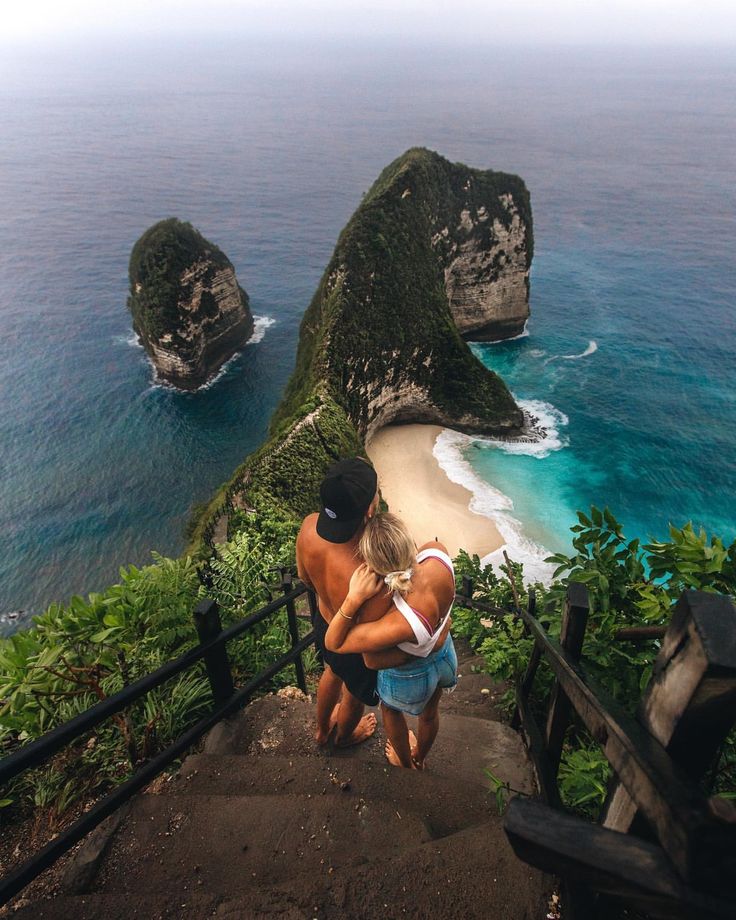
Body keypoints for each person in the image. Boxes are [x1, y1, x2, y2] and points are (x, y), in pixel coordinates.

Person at [324, 512, 457, 769]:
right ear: (408, 541)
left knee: (391, 711)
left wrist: (353, 598)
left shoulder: (398, 620)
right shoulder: (438, 554)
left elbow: (335, 642)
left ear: (374, 567)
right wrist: (437, 636)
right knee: (430, 715)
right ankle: (420, 757)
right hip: (445, 658)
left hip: (411, 676)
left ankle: (406, 765)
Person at [296, 458, 404, 747]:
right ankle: (344, 737)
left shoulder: (308, 528)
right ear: (370, 508)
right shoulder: (371, 572)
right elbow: (377, 643)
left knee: (331, 672)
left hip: (323, 620)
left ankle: (321, 731)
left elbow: (304, 578)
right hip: (353, 643)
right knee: (353, 696)